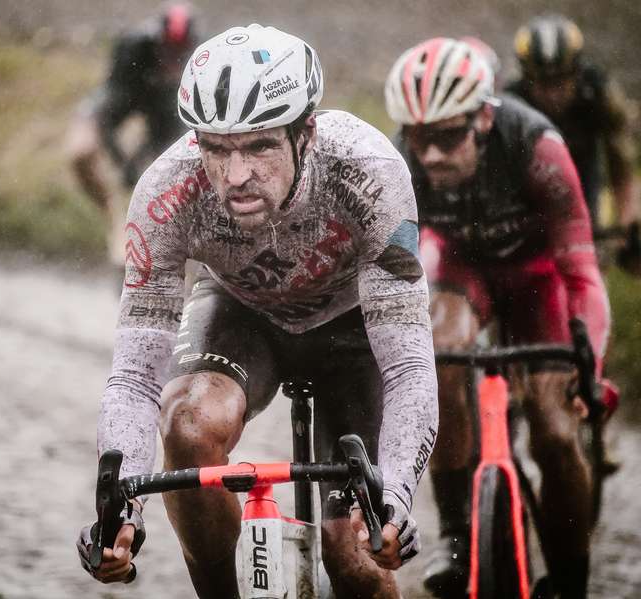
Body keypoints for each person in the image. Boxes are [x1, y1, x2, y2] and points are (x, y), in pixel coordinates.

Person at [76, 24, 438, 598]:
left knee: (354, 554)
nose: (235, 175)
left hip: (352, 330)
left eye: (260, 146)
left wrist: (392, 499)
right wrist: (121, 509)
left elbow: (409, 367)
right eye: (216, 149)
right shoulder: (166, 192)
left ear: (306, 133)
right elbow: (135, 374)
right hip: (242, 315)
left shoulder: (370, 171)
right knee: (187, 423)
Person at [384, 38, 610, 599]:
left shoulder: (536, 146)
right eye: (419, 136)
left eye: (448, 135)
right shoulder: (401, 159)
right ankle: (456, 534)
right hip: (466, 270)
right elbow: (390, 266)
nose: (430, 154)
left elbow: (581, 271)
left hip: (539, 278)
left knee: (555, 432)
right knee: (438, 349)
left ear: (483, 117)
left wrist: (590, 366)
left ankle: (570, 578)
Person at [507, 15, 641, 275]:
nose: (553, 94)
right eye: (542, 83)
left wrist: (631, 229)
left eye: (561, 81)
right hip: (528, 195)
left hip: (584, 185)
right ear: (527, 78)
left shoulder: (598, 96)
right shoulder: (512, 105)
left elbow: (622, 170)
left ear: (577, 72)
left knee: (587, 272)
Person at [65, 3, 198, 265]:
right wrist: (120, 161)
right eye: (167, 51)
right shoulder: (133, 47)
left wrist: (136, 165)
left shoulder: (195, 57)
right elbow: (107, 113)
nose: (172, 60)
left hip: (159, 112)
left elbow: (164, 131)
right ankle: (110, 212)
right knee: (79, 151)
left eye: (177, 54)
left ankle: (150, 242)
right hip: (120, 98)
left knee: (158, 175)